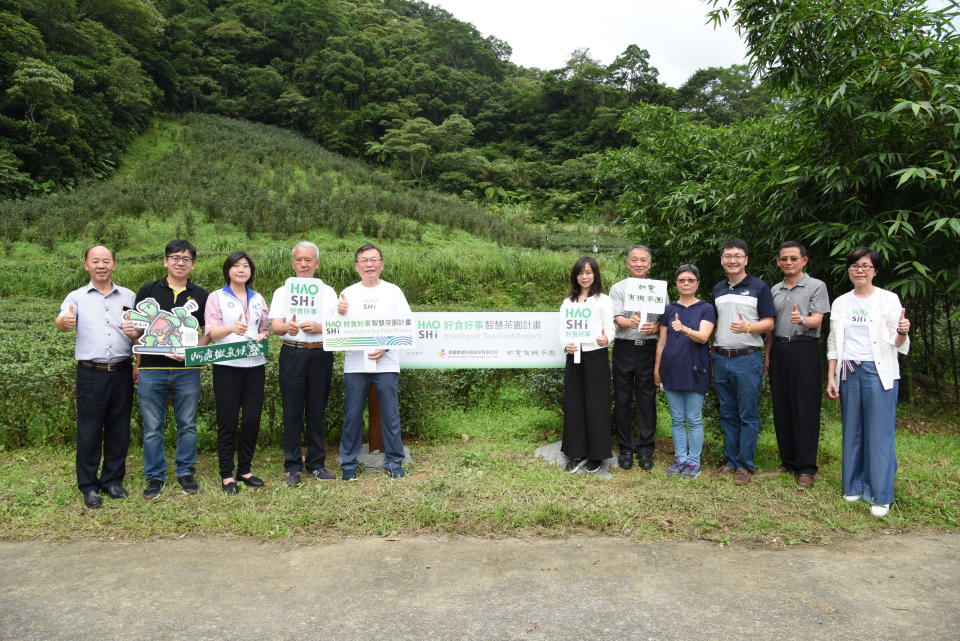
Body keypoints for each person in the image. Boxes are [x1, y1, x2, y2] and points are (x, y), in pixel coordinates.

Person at [826, 248, 910, 517]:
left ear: (874, 270)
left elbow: (898, 343)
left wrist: (901, 331)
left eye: (865, 266)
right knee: (852, 430)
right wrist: (832, 374)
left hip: (879, 371)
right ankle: (853, 485)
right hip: (848, 371)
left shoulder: (888, 299)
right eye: (854, 266)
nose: (859, 270)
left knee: (879, 434)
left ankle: (881, 493)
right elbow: (833, 341)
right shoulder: (841, 302)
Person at [123, 239, 208, 499]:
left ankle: (185, 471)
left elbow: (209, 332)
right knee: (152, 427)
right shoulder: (148, 290)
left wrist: (193, 355)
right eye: (175, 257)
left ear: (193, 265)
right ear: (165, 261)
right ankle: (155, 476)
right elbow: (138, 329)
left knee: (187, 425)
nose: (180, 262)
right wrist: (132, 337)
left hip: (187, 371)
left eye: (185, 259)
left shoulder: (202, 295)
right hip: (152, 370)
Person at [56, 246, 136, 508]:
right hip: (91, 372)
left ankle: (112, 480)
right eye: (95, 261)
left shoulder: (129, 296)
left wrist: (138, 362)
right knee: (89, 430)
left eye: (106, 260)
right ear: (86, 265)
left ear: (114, 264)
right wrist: (63, 323)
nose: (101, 265)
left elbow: (141, 335)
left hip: (123, 370)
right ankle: (89, 486)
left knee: (119, 428)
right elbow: (62, 321)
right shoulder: (76, 297)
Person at [338, 244, 411, 480]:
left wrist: (386, 345)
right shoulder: (347, 292)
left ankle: (394, 461)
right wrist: (337, 312)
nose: (369, 264)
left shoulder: (394, 292)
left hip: (386, 363)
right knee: (352, 414)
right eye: (363, 260)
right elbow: (336, 329)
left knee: (390, 413)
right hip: (356, 364)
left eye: (373, 259)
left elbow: (405, 324)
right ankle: (349, 463)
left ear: (381, 264)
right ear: (356, 266)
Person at [269, 241, 338, 486]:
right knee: (292, 410)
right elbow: (275, 326)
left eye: (308, 260)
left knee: (317, 409)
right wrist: (286, 327)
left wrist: (321, 328)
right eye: (299, 259)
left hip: (320, 353)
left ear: (317, 263)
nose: (303, 264)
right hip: (293, 353)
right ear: (292, 263)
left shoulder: (328, 292)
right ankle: (292, 466)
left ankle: (317, 464)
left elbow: (338, 326)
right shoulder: (282, 292)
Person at [764, 241, 830, 488]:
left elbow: (817, 320)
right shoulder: (774, 289)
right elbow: (770, 327)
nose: (788, 263)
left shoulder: (816, 286)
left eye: (793, 258)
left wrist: (801, 319)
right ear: (778, 262)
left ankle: (806, 467)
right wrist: (768, 354)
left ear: (804, 260)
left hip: (805, 348)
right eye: (783, 259)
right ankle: (788, 461)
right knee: (782, 405)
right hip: (780, 349)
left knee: (805, 407)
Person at [710, 237, 775, 486]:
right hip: (721, 358)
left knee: (747, 414)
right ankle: (731, 462)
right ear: (722, 260)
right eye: (728, 256)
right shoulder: (718, 289)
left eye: (737, 256)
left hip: (747, 358)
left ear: (746, 259)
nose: (732, 260)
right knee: (727, 413)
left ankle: (745, 465)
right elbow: (714, 324)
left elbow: (769, 323)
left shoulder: (759, 287)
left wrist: (749, 326)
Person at [205, 251, 270, 494]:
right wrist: (231, 327)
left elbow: (264, 328)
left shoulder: (258, 298)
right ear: (228, 270)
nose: (242, 270)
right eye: (236, 266)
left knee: (252, 419)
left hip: (255, 365)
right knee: (228, 420)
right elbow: (211, 332)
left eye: (246, 266)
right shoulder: (217, 297)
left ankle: (244, 470)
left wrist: (264, 334)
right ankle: (226, 474)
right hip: (227, 366)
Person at [653, 265, 716, 479]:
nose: (686, 283)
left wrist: (685, 329)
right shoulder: (669, 310)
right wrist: (657, 369)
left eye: (690, 280)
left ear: (697, 283)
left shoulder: (706, 308)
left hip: (696, 368)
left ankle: (694, 461)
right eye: (682, 280)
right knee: (677, 418)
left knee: (694, 418)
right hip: (671, 369)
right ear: (676, 284)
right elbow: (661, 343)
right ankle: (680, 458)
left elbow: (704, 336)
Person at [561, 256, 615, 474]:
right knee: (574, 403)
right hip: (574, 357)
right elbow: (563, 329)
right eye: (581, 273)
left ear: (595, 275)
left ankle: (596, 454)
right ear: (576, 276)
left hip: (596, 356)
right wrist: (566, 345)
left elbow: (610, 328)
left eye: (589, 272)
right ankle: (576, 452)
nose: (585, 276)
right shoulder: (568, 302)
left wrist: (606, 339)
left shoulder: (604, 300)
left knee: (597, 403)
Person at [609, 245, 661, 470]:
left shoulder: (658, 289)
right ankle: (626, 448)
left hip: (648, 349)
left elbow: (665, 320)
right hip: (624, 348)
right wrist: (628, 322)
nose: (639, 264)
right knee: (622, 398)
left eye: (643, 260)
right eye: (634, 260)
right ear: (627, 263)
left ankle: (646, 449)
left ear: (650, 264)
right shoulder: (618, 288)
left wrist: (656, 326)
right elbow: (617, 317)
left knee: (646, 399)